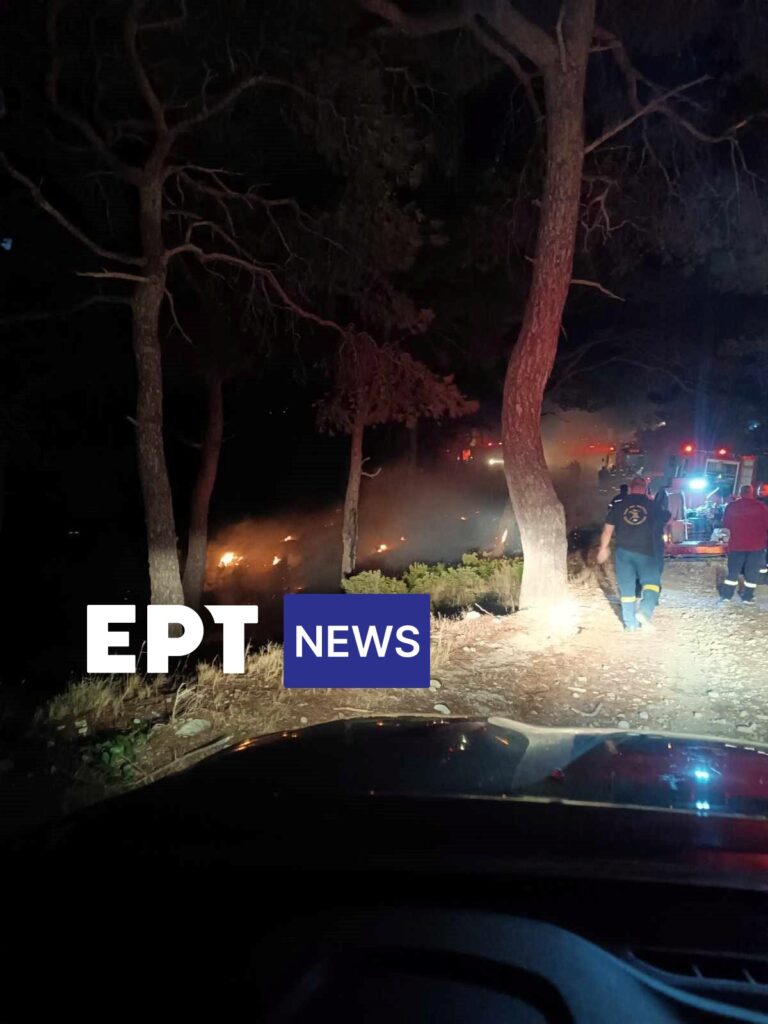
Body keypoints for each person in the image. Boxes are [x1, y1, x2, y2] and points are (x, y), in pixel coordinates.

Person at [597, 476, 669, 631]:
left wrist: (603, 548)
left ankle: (630, 625)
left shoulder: (619, 505)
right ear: (645, 489)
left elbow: (607, 530)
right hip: (646, 552)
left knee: (627, 589)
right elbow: (667, 519)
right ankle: (644, 611)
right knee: (652, 584)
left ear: (630, 488)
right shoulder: (653, 505)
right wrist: (651, 500)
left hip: (623, 552)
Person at [720, 484, 768, 602]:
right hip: (756, 546)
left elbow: (726, 525)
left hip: (737, 545)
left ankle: (727, 596)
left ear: (741, 493)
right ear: (752, 493)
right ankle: (747, 597)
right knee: (752, 573)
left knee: (733, 572)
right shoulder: (761, 507)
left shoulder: (732, 507)